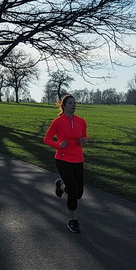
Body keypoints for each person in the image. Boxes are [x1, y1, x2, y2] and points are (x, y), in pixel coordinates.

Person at [43, 94, 89, 233]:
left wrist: (85, 140)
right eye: (70, 103)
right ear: (64, 105)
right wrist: (58, 145)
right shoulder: (57, 122)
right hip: (63, 159)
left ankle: (60, 186)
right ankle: (73, 221)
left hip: (78, 159)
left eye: (75, 103)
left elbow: (85, 136)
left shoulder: (81, 121)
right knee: (73, 191)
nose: (73, 105)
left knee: (78, 193)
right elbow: (47, 139)